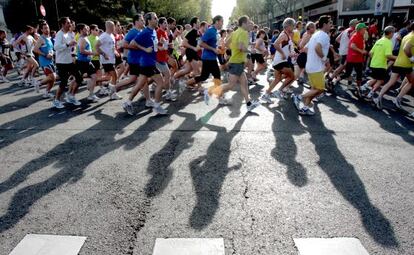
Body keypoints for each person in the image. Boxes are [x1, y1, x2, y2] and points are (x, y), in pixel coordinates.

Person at [209, 16, 260, 112]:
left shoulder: (235, 32)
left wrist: (234, 49)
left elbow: (226, 43)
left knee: (244, 83)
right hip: (237, 63)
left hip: (237, 62)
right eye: (248, 22)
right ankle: (211, 91)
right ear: (244, 23)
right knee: (230, 85)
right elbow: (241, 47)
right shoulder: (244, 33)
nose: (250, 24)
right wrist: (250, 51)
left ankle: (249, 104)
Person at [122, 12, 167, 115]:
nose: (157, 20)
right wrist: (144, 49)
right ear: (149, 21)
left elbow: (153, 46)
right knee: (161, 82)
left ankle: (127, 102)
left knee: (139, 85)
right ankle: (157, 106)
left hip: (147, 63)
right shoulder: (145, 32)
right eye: (155, 18)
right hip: (147, 63)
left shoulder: (154, 31)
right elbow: (133, 43)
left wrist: (161, 45)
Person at [293, 15, 332, 115]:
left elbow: (305, 49)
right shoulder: (324, 35)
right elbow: (317, 48)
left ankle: (305, 108)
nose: (331, 25)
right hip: (316, 67)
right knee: (320, 89)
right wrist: (324, 59)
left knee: (314, 89)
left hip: (310, 66)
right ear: (324, 24)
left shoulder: (315, 34)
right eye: (330, 23)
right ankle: (299, 97)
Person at [374, 21, 414, 109]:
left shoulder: (407, 35)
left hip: (398, 62)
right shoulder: (413, 37)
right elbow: (406, 48)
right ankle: (398, 99)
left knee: (391, 82)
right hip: (406, 64)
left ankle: (378, 97)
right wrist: (411, 58)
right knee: (411, 82)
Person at [185, 15, 223, 98]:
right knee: (217, 77)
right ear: (217, 21)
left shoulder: (215, 31)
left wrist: (217, 48)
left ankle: (187, 83)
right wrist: (213, 49)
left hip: (210, 58)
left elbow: (212, 43)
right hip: (208, 58)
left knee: (204, 76)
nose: (222, 24)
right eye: (221, 21)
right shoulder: (210, 31)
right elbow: (201, 43)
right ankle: (220, 97)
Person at [261, 17, 296, 103]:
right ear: (288, 26)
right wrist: (283, 54)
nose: (294, 27)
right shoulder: (283, 34)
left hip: (279, 61)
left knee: (277, 79)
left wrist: (292, 54)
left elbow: (285, 48)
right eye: (293, 25)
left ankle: (266, 95)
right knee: (292, 77)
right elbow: (275, 44)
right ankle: (279, 91)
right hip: (280, 61)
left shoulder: (287, 35)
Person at [53, 17, 82, 108]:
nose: (70, 25)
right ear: (63, 24)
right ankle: (56, 100)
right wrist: (68, 44)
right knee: (64, 82)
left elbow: (72, 48)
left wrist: (74, 51)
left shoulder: (70, 34)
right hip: (61, 62)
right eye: (68, 23)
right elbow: (56, 47)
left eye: (70, 23)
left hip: (70, 61)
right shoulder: (59, 34)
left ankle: (71, 96)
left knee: (79, 78)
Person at [361, 26, 396, 99]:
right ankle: (370, 94)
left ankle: (363, 87)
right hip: (381, 65)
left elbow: (370, 53)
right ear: (391, 33)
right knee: (380, 80)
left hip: (374, 63)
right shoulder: (388, 42)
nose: (393, 34)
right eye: (393, 33)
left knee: (374, 79)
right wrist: (397, 58)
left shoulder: (379, 40)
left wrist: (376, 58)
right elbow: (388, 55)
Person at [341, 22, 368, 98]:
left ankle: (358, 88)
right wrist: (361, 51)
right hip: (354, 58)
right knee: (353, 74)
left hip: (356, 58)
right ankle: (333, 81)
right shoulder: (356, 35)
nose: (365, 30)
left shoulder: (360, 35)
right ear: (360, 29)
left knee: (355, 74)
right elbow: (352, 46)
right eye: (364, 28)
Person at [76, 23, 99, 102]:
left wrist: (90, 54)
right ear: (81, 30)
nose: (88, 30)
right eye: (86, 28)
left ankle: (91, 94)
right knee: (77, 80)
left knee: (94, 77)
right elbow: (82, 51)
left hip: (87, 62)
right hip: (82, 62)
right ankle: (70, 93)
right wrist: (92, 53)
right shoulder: (82, 39)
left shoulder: (84, 38)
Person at [33, 21, 56, 98]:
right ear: (42, 30)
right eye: (45, 28)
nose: (47, 29)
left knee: (53, 79)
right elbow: (35, 49)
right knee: (52, 77)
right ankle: (38, 83)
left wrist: (52, 53)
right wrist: (45, 55)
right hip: (44, 61)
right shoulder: (41, 39)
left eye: (48, 28)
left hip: (50, 60)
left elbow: (51, 49)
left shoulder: (49, 38)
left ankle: (46, 93)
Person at [96, 21, 117, 88]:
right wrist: (104, 54)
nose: (114, 27)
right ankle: (113, 93)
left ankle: (94, 80)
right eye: (114, 26)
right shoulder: (103, 36)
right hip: (106, 60)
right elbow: (96, 46)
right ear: (110, 27)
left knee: (108, 77)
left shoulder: (112, 35)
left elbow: (112, 46)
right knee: (114, 76)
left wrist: (115, 52)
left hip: (111, 59)